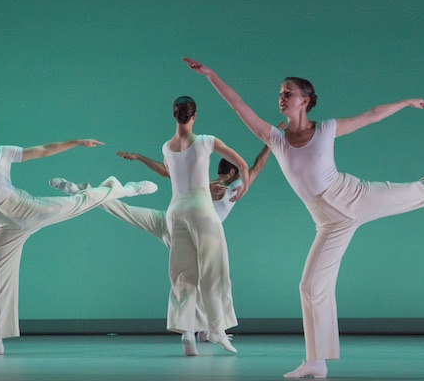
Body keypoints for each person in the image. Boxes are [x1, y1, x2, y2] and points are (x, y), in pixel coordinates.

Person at [183, 57, 424, 378]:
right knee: (310, 286)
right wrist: (211, 75)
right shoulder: (274, 138)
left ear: (305, 99)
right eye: (280, 93)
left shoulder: (326, 129)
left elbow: (373, 114)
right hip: (329, 222)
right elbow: (238, 104)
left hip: (355, 196)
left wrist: (405, 103)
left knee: (421, 191)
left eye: (288, 93)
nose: (281, 97)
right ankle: (316, 362)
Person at [0, 72, 157, 355]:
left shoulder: (3, 153)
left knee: (78, 203)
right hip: (2, 226)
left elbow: (42, 150)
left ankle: (124, 190)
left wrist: (76, 141)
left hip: (24, 208)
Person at [51, 135, 278, 352]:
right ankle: (197, 331)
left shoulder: (200, 181)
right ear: (231, 172)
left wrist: (140, 157)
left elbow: (167, 172)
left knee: (127, 212)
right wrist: (270, 143)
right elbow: (256, 166)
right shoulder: (229, 187)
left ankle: (83, 191)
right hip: (190, 234)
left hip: (167, 220)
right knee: (196, 280)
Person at [159, 95, 249, 355]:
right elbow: (242, 164)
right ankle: (216, 329)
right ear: (194, 116)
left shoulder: (166, 146)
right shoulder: (206, 141)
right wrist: (244, 188)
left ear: (174, 114)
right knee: (214, 269)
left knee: (183, 273)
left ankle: (187, 332)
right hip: (200, 206)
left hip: (175, 209)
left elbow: (170, 171)